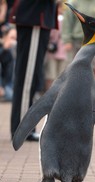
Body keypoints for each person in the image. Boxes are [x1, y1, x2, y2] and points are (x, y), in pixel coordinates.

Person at [9, 0, 58, 141]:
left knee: (31, 78)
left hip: (36, 19)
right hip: (35, 19)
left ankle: (24, 127)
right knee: (27, 79)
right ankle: (22, 129)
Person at [62, 0, 95, 85]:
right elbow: (67, 22)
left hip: (94, 43)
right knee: (72, 72)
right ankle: (72, 97)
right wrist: (67, 40)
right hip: (76, 42)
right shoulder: (74, 2)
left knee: (94, 72)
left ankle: (94, 97)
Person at [44, 2, 67, 90]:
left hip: (57, 50)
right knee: (52, 75)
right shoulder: (59, 19)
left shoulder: (59, 19)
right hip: (57, 51)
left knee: (55, 75)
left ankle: (53, 96)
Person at [0, 25, 17, 101]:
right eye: (12, 38)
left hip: (11, 86)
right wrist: (4, 49)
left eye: (16, 39)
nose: (14, 41)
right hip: (4, 86)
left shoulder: (14, 52)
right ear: (5, 37)